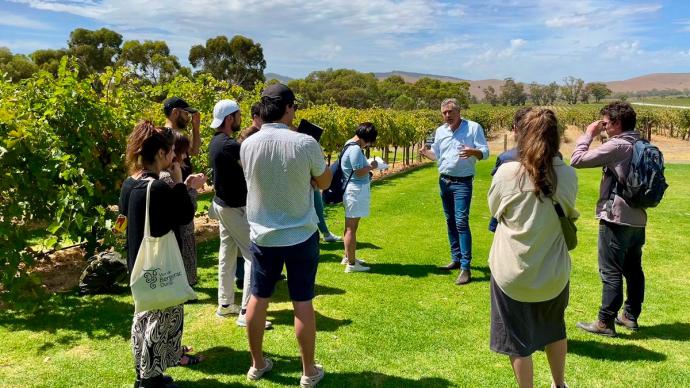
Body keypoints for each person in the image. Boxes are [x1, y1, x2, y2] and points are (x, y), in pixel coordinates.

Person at [240, 83, 332, 387]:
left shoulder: (248, 144)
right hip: (301, 234)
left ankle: (257, 364)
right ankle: (308, 371)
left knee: (258, 297)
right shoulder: (305, 143)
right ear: (289, 107)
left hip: (263, 235)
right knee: (302, 301)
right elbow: (324, 182)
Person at [488, 108, 577, 388]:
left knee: (517, 342)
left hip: (512, 274)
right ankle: (559, 383)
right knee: (555, 329)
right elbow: (569, 213)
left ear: (521, 134)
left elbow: (495, 211)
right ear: (557, 136)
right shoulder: (568, 175)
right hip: (552, 272)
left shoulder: (506, 173)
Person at [119, 121, 206, 388]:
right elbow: (182, 215)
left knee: (143, 318)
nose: (173, 158)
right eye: (169, 153)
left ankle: (143, 373)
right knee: (162, 319)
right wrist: (181, 183)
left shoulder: (131, 183)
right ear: (160, 154)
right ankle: (151, 380)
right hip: (160, 265)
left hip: (139, 262)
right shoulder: (155, 187)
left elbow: (123, 220)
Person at [571, 101, 647, 337]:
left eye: (605, 123)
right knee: (633, 269)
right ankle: (630, 316)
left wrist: (588, 134)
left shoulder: (617, 145)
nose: (602, 127)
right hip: (638, 217)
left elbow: (577, 160)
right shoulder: (643, 143)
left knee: (610, 270)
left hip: (616, 217)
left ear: (616, 123)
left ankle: (605, 322)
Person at [207, 99, 272, 329]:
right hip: (234, 208)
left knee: (227, 253)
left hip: (223, 205)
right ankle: (247, 311)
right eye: (238, 115)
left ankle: (225, 304)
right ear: (229, 119)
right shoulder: (229, 145)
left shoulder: (215, 143)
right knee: (253, 256)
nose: (241, 118)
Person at [420, 98, 489, 285]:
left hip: (462, 183)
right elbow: (437, 156)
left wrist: (473, 152)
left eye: (450, 112)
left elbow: (485, 152)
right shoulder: (440, 131)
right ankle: (456, 259)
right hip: (444, 181)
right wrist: (425, 153)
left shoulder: (473, 128)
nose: (447, 115)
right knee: (450, 220)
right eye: (444, 113)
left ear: (459, 111)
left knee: (461, 222)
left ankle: (466, 267)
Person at [159, 132, 198, 286]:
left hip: (178, 231)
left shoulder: (168, 175)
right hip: (179, 231)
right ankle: (186, 285)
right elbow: (186, 210)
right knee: (184, 256)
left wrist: (186, 184)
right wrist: (191, 189)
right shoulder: (168, 177)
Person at [341, 122, 379, 272]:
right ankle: (351, 264)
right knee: (351, 227)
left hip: (352, 190)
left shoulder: (348, 144)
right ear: (367, 138)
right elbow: (358, 171)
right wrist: (372, 166)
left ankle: (348, 256)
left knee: (350, 226)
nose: (368, 145)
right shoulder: (356, 149)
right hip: (356, 190)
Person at [489, 107, 532, 232]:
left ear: (515, 129)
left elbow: (495, 200)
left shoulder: (505, 158)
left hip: (510, 218)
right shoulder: (555, 157)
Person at [162, 97, 201, 180]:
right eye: (186, 114)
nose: (188, 118)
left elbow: (194, 151)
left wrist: (196, 128)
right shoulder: (166, 137)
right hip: (176, 189)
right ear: (175, 112)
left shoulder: (178, 136)